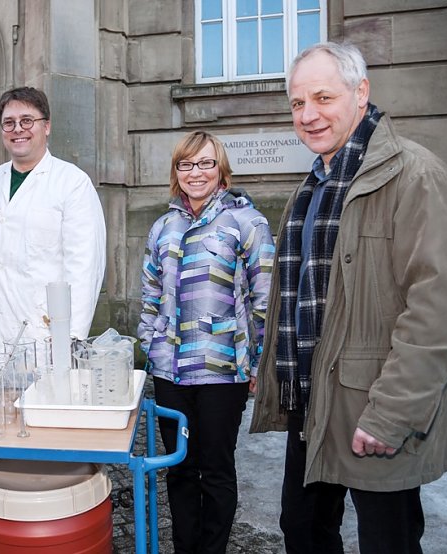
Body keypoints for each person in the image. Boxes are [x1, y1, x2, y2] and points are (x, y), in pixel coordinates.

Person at [249, 41, 447, 554]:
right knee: (302, 531)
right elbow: (299, 296)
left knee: (387, 543)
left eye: (323, 98)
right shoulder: (314, 184)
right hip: (310, 405)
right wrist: (273, 375)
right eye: (297, 103)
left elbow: (441, 312)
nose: (308, 115)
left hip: (375, 411)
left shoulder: (417, 177)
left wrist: (392, 413)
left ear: (361, 92)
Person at [138, 131, 275, 553]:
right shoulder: (163, 226)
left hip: (222, 370)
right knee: (180, 469)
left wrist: (256, 364)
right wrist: (151, 343)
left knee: (215, 469)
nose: (195, 173)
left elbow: (265, 299)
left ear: (222, 171)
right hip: (170, 371)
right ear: (176, 172)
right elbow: (149, 292)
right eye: (186, 164)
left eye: (205, 164)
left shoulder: (247, 222)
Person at [0, 86, 106, 360]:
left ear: (46, 126)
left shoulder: (72, 183)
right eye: (9, 123)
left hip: (44, 334)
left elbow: (84, 266)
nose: (18, 129)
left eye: (27, 121)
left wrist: (70, 336)